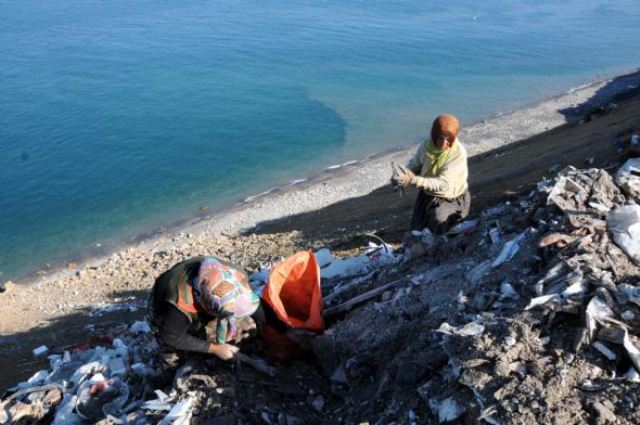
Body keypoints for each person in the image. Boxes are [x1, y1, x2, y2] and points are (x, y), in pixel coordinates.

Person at [148, 256, 260, 369]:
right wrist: (215, 349)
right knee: (172, 354)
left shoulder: (237, 276)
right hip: (165, 306)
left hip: (208, 302)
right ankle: (168, 374)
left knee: (237, 323)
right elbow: (171, 336)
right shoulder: (178, 304)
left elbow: (256, 307)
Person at [392, 114, 470, 234]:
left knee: (439, 220)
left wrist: (414, 180)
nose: (444, 143)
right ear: (434, 135)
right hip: (427, 196)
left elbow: (443, 185)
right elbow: (415, 165)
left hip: (450, 198)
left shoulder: (458, 154)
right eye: (440, 138)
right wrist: (404, 176)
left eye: (449, 139)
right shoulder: (426, 146)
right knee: (417, 232)